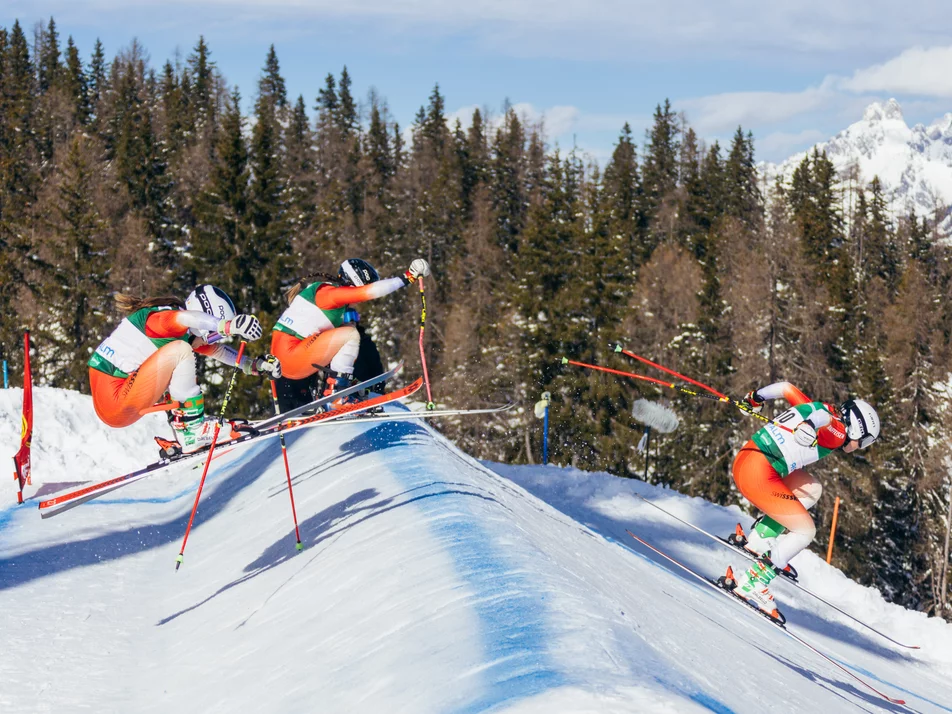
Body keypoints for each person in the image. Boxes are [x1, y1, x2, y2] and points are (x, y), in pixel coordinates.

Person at [721, 382, 880, 619]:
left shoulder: (818, 406)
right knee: (805, 532)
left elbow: (786, 388)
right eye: (865, 441)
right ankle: (753, 583)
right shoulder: (837, 432)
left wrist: (756, 397)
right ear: (856, 428)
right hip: (757, 474)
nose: (860, 447)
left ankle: (760, 539)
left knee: (812, 489)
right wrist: (810, 424)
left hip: (749, 460)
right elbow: (825, 420)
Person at [88, 285, 281, 453]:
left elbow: (219, 352)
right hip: (116, 400)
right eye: (213, 334)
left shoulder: (180, 334)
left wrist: (256, 366)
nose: (211, 339)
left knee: (183, 351)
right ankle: (193, 430)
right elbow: (188, 318)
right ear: (205, 317)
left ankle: (186, 429)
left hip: (116, 399)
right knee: (181, 350)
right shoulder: (165, 320)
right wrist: (226, 326)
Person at [270, 258, 430, 409]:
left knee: (345, 330)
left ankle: (340, 387)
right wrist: (408, 277)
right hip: (290, 356)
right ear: (355, 283)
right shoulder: (330, 293)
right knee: (350, 333)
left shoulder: (328, 300)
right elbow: (371, 292)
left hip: (286, 361)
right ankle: (338, 394)